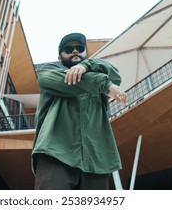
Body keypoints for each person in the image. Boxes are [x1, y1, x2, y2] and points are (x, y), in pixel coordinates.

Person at [31, 32, 127, 190]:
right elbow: (74, 82)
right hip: (56, 153)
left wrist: (86, 65)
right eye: (68, 49)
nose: (74, 51)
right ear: (60, 57)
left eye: (79, 48)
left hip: (97, 160)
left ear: (85, 53)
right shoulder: (47, 73)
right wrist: (105, 85)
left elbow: (115, 74)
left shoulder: (98, 69)